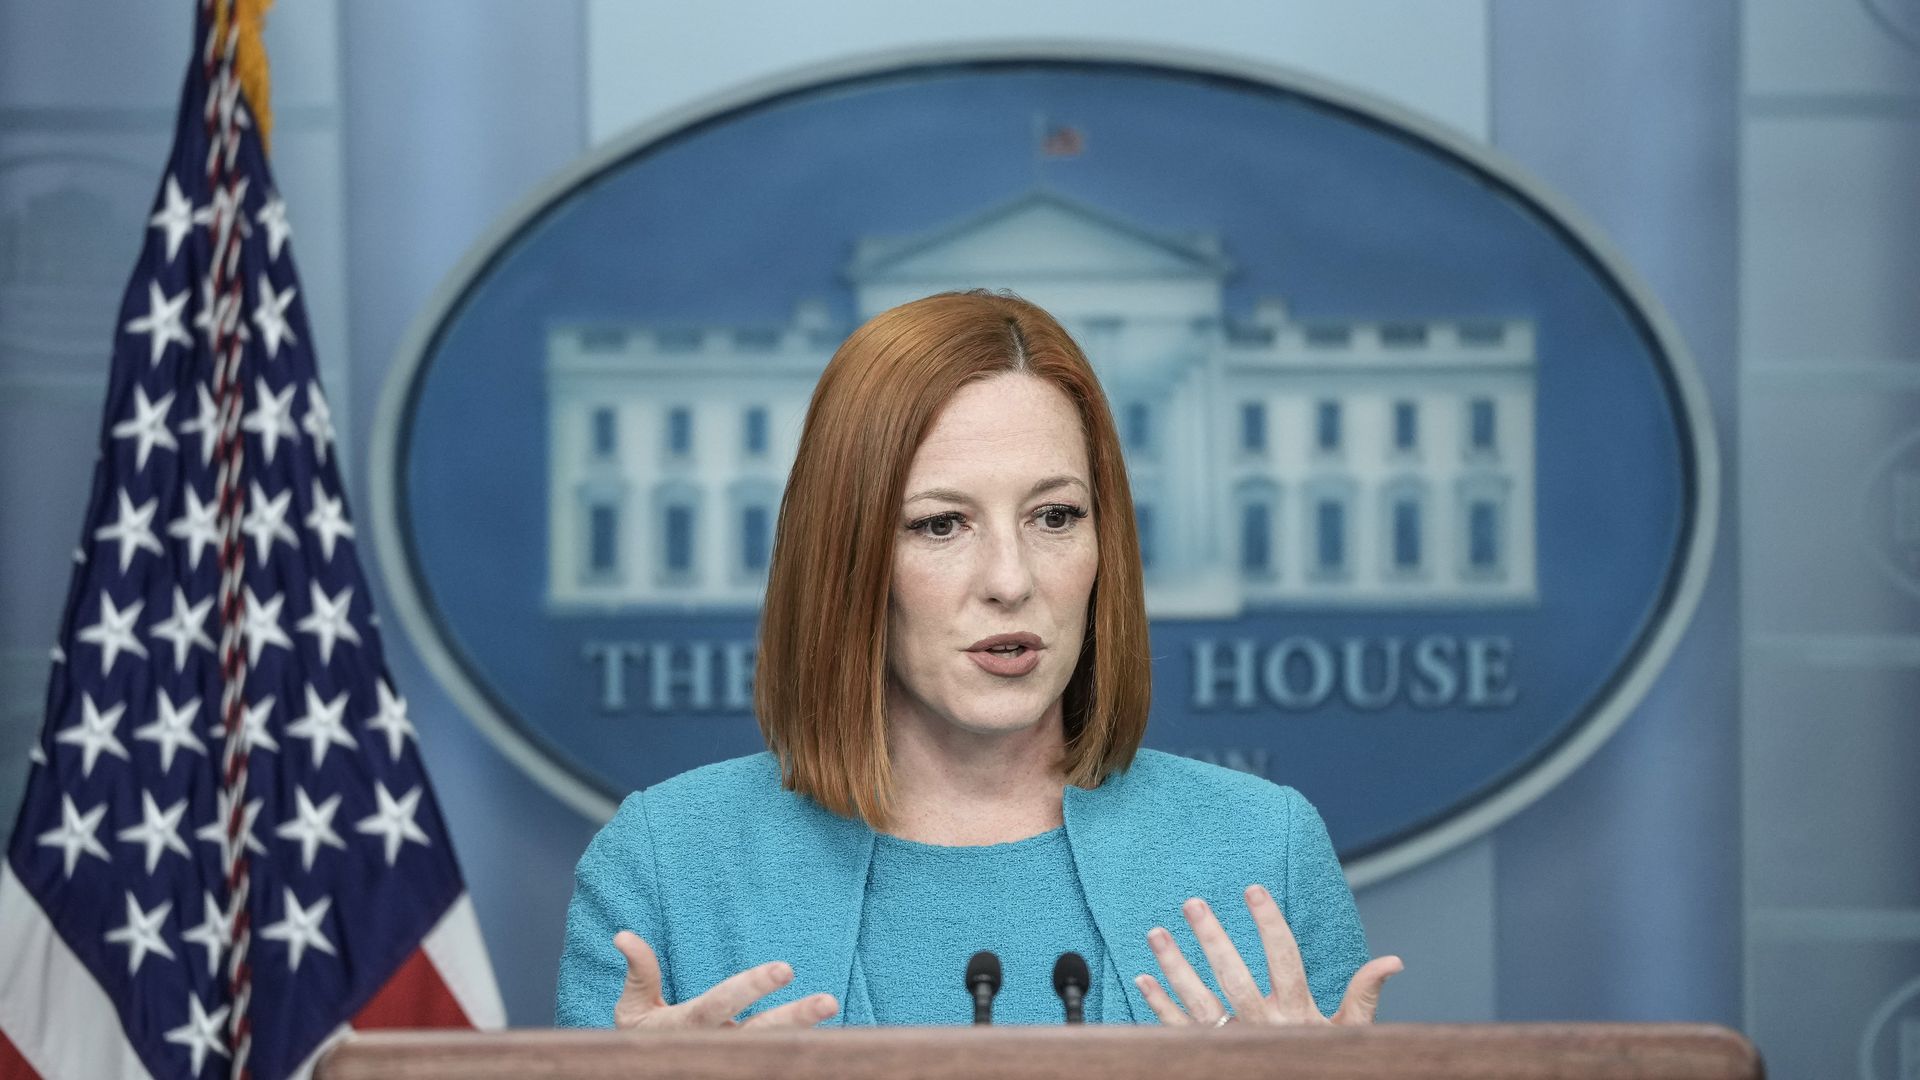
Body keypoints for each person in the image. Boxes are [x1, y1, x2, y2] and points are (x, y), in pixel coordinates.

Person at [555, 290, 1402, 1029]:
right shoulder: (665, 864)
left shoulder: (1262, 847)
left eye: (1055, 516)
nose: (1010, 581)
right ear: (845, 559)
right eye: (940, 524)